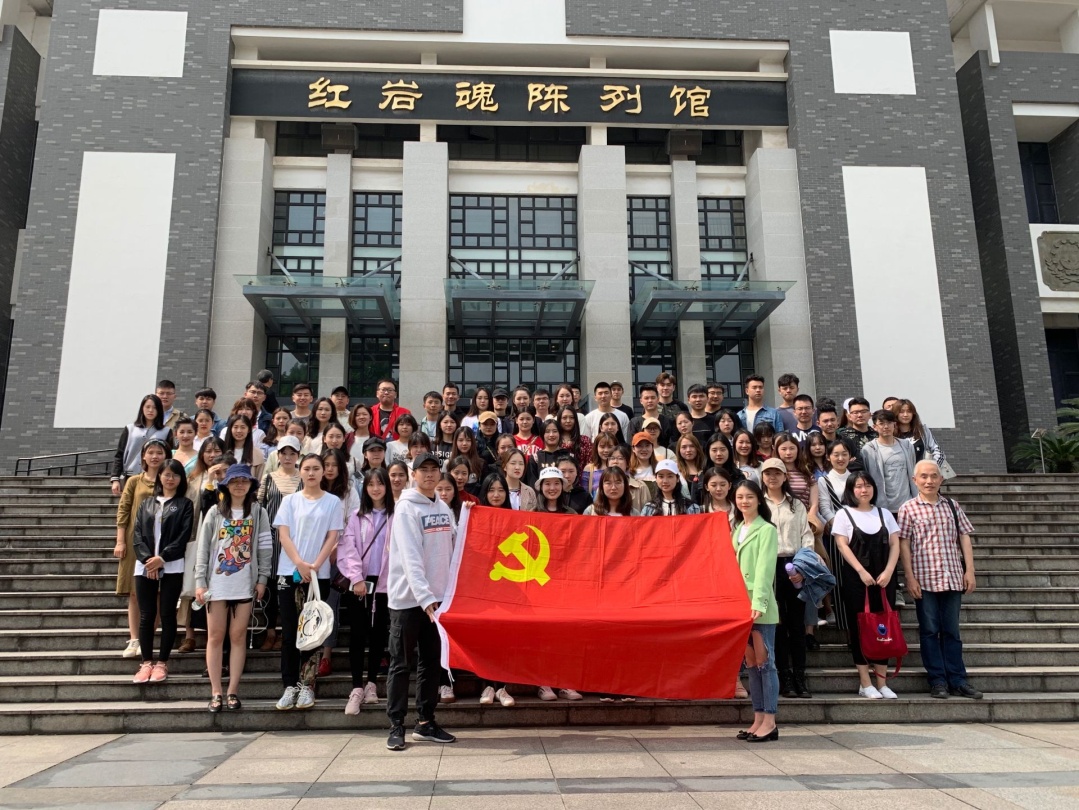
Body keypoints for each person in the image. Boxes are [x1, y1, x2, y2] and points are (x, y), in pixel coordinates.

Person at [385, 452, 457, 750]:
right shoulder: (405, 508)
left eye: (433, 469)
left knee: (431, 662)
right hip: (408, 600)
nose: (429, 474)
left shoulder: (444, 507)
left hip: (438, 600)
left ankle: (425, 722)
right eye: (423, 470)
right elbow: (410, 557)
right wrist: (425, 598)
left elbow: (455, 548)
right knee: (401, 664)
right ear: (413, 474)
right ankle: (396, 725)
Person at [898, 460, 982, 700]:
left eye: (934, 476)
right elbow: (903, 543)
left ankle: (958, 680)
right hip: (924, 580)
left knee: (952, 632)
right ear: (915, 480)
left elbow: (964, 537)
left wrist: (970, 571)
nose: (929, 481)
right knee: (929, 631)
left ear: (941, 479)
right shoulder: (908, 508)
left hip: (952, 578)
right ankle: (937, 680)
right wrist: (909, 577)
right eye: (924, 476)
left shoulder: (952, 506)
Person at [194, 464, 271, 712]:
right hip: (216, 583)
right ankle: (216, 691)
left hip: (244, 583)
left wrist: (262, 578)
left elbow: (265, 547)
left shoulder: (258, 512)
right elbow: (203, 549)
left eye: (244, 481)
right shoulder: (215, 512)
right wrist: (200, 581)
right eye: (234, 481)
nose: (239, 485)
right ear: (226, 485)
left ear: (251, 485)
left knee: (238, 637)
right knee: (215, 637)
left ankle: (233, 691)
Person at [272, 454, 343, 711]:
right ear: (300, 471)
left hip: (317, 575)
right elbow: (284, 535)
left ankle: (307, 685)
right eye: (307, 468)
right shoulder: (290, 501)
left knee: (312, 633)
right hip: (289, 572)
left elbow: (333, 537)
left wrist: (314, 565)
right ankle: (289, 685)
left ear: (323, 472)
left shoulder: (333, 502)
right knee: (290, 631)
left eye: (316, 468)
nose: (311, 473)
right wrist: (299, 563)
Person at [831, 472, 901, 699]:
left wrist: (889, 571)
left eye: (868, 485)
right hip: (856, 580)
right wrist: (861, 571)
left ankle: (882, 682)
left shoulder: (884, 514)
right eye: (859, 486)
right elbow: (842, 546)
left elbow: (895, 544)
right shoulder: (843, 514)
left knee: (883, 626)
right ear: (851, 490)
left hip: (884, 580)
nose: (864, 490)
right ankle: (865, 682)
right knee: (859, 627)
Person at [131, 458, 193, 685]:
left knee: (167, 614)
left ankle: (162, 662)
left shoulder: (185, 504)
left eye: (175, 475)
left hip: (172, 564)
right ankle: (146, 662)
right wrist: (148, 560)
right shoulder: (146, 503)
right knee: (147, 615)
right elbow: (137, 534)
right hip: (144, 565)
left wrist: (162, 558)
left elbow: (183, 535)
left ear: (181, 479)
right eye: (166, 474)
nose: (170, 478)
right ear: (159, 476)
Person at [339, 467, 395, 715]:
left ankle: (372, 683)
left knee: (378, 634)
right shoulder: (357, 516)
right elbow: (348, 548)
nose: (375, 488)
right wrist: (356, 578)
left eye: (380, 484)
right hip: (360, 583)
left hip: (385, 583)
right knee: (357, 635)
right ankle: (356, 687)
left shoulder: (396, 515)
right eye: (371, 484)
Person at [759, 457, 814, 699]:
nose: (772, 477)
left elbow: (807, 535)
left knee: (797, 623)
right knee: (778, 623)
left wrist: (803, 565)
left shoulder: (796, 504)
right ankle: (784, 675)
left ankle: (800, 675)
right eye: (768, 473)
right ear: (762, 477)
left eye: (777, 473)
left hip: (795, 564)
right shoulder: (759, 504)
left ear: (784, 476)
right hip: (769, 567)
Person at [732, 479, 780, 742]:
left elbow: (765, 569)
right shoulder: (738, 528)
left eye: (749, 497)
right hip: (740, 604)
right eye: (740, 497)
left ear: (759, 499)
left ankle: (770, 720)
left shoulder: (767, 529)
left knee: (765, 663)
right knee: (751, 664)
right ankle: (758, 717)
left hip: (759, 605)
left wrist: (759, 603)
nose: (744, 501)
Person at [115, 438, 170, 658]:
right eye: (151, 452)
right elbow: (123, 510)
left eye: (160, 452)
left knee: (155, 592)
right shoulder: (134, 481)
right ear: (144, 457)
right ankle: (134, 638)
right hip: (134, 540)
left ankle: (147, 637)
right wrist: (120, 541)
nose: (155, 456)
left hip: (159, 541)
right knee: (134, 592)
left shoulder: (169, 480)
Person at [256, 435, 302, 652]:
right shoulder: (268, 478)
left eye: (292, 453)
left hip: (297, 540)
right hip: (272, 539)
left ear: (298, 455)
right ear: (278, 455)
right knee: (272, 586)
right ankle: (270, 631)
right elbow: (259, 506)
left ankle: (289, 631)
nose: (288, 457)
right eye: (284, 453)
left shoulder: (304, 477)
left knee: (292, 586)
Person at [111, 395, 173, 496]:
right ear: (142, 408)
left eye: (154, 407)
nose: (150, 410)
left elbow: (170, 457)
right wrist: (115, 479)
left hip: (156, 477)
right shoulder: (130, 429)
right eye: (147, 407)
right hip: (130, 476)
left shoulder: (166, 431)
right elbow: (119, 454)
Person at [860, 410, 917, 515]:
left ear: (894, 424)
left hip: (908, 505)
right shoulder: (869, 450)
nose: (886, 426)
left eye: (889, 423)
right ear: (874, 427)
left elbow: (913, 471)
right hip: (883, 506)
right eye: (881, 423)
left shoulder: (907, 446)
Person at [892, 398, 947, 466]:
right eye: (901, 412)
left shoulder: (922, 430)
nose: (905, 415)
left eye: (909, 411)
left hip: (919, 471)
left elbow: (938, 452)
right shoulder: (890, 432)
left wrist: (932, 468)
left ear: (913, 413)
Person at [606, 444, 652, 513]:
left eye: (620, 458)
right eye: (612, 458)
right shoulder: (603, 486)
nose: (615, 461)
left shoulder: (641, 487)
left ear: (627, 463)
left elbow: (648, 514)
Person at [838, 397, 877, 469]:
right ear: (849, 416)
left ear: (870, 414)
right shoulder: (842, 437)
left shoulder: (877, 435)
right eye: (855, 412)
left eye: (863, 412)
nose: (860, 415)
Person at [223, 414, 265, 479]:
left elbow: (259, 480)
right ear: (230, 429)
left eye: (243, 427)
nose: (239, 431)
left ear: (249, 430)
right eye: (235, 427)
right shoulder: (222, 451)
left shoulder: (257, 454)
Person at [582, 433, 616, 499]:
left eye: (610, 447)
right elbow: (585, 495)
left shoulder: (619, 466)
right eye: (602, 447)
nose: (606, 450)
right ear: (596, 448)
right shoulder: (589, 469)